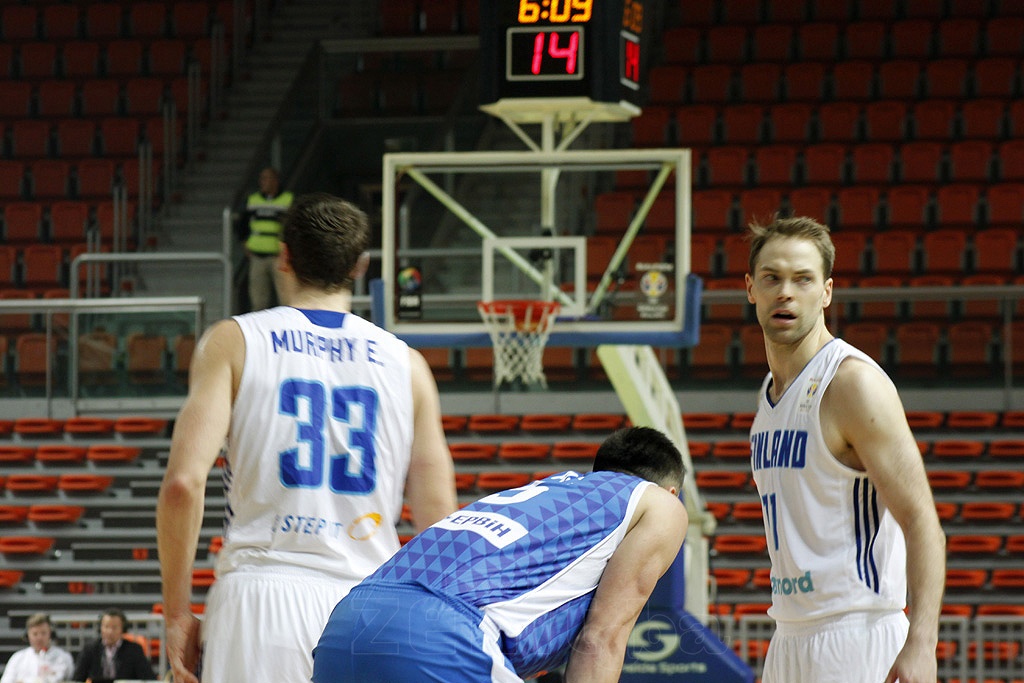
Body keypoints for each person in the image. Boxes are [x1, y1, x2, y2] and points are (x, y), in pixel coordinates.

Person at [157, 192, 458, 683]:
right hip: (368, 604)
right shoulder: (409, 366)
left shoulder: (234, 341)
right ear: (360, 266)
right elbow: (437, 519)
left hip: (259, 597)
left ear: (284, 257)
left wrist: (176, 614)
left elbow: (182, 485)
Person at [313, 426, 690, 683]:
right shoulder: (660, 504)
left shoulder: (550, 493)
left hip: (346, 623)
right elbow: (600, 639)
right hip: (443, 631)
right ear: (671, 491)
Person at [743, 216, 946, 683]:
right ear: (751, 288)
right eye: (772, 278)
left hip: (857, 632)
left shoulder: (852, 383)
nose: (786, 292)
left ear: (827, 292)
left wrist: (921, 643)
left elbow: (922, 522)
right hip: (789, 634)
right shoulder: (768, 396)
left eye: (803, 279)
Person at [242, 166, 294, 311]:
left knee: (286, 298)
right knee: (258, 301)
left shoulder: (287, 199)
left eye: (266, 178)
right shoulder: (253, 200)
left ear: (275, 180)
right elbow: (242, 224)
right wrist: (244, 242)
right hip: (257, 256)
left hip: (279, 257)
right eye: (261, 178)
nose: (262, 182)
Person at [71, 608, 154, 682]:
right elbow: (77, 678)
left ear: (122, 629)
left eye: (114, 627)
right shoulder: (90, 649)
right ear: (100, 628)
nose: (110, 632)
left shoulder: (134, 650)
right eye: (106, 627)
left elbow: (148, 678)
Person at [0, 613, 74, 683]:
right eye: (35, 634)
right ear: (27, 635)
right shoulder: (18, 658)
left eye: (43, 633)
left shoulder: (63, 657)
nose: (39, 638)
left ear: (50, 634)